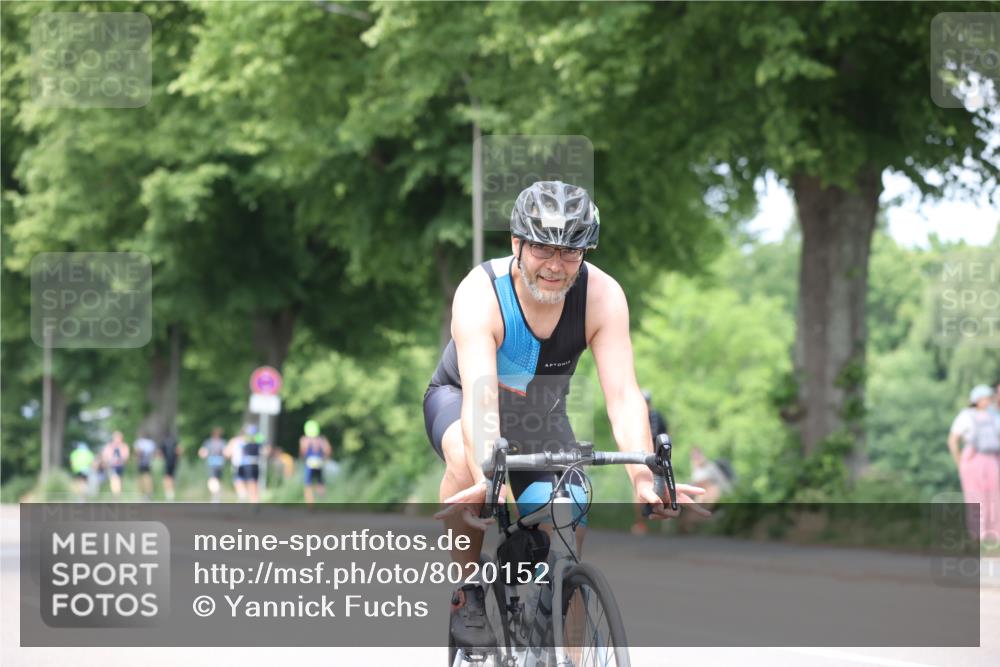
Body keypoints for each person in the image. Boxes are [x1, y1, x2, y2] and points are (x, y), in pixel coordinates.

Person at [425, 181, 707, 649]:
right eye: (541, 248)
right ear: (516, 242)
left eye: (571, 252)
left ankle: (557, 638)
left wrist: (642, 476)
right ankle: (468, 591)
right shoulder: (481, 293)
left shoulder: (603, 296)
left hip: (540, 413)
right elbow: (481, 400)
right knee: (464, 463)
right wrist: (485, 475)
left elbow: (621, 392)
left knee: (567, 518)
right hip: (465, 401)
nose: (555, 265)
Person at [948, 384, 1000, 544]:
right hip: (974, 459)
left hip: (992, 458)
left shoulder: (994, 416)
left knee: (994, 499)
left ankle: (993, 536)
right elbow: (953, 440)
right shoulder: (967, 416)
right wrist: (960, 463)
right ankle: (979, 536)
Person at [631, 389, 670, 535]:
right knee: (639, 491)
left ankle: (664, 525)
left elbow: (666, 436)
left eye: (646, 402)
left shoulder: (657, 417)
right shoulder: (634, 418)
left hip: (658, 458)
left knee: (664, 488)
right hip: (641, 458)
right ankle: (640, 523)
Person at [299, 420, 332, 504]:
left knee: (308, 484)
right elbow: (328, 450)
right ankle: (322, 502)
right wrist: (324, 458)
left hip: (309, 463)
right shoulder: (321, 440)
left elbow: (303, 452)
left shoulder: (304, 439)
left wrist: (303, 458)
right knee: (320, 483)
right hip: (319, 462)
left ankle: (310, 504)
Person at [198, 427, 228, 502]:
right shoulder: (220, 442)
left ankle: (215, 495)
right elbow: (226, 453)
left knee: (214, 479)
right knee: (216, 479)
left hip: (214, 462)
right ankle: (216, 495)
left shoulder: (209, 442)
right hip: (217, 462)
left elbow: (202, 452)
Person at [100, 431, 129, 497]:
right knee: (114, 479)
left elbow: (126, 456)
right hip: (112, 466)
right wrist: (107, 461)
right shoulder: (109, 446)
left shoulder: (123, 446)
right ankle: (116, 496)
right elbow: (105, 455)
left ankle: (118, 495)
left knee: (120, 481)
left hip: (121, 466)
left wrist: (121, 460)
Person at [133, 432, 158, 500]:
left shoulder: (139, 442)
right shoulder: (151, 443)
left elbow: (137, 452)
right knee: (146, 478)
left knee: (142, 478)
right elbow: (153, 453)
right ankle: (147, 494)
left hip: (143, 462)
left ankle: (144, 494)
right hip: (147, 462)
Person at [158, 432, 182, 501]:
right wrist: (177, 458)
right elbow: (179, 450)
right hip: (174, 462)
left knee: (167, 478)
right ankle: (172, 493)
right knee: (172, 477)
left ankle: (168, 494)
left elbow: (160, 453)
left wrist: (162, 458)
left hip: (167, 462)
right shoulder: (175, 442)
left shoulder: (163, 442)